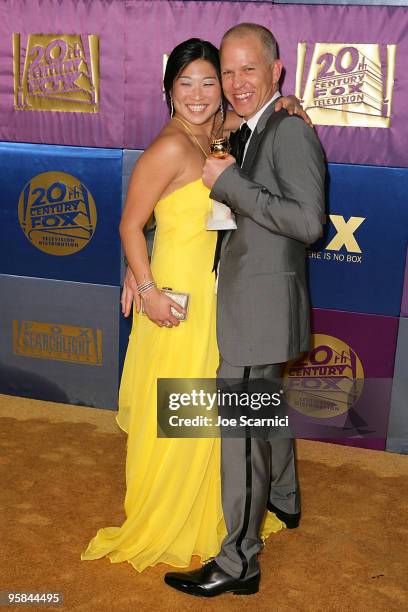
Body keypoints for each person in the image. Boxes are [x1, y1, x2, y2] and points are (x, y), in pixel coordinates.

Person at [81, 38, 310, 572]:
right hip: (175, 307)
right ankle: (173, 517)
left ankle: (220, 510)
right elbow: (130, 225)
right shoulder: (167, 147)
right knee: (179, 413)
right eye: (186, 83)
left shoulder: (214, 130)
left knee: (215, 412)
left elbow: (257, 112)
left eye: (211, 81)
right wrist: (146, 288)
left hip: (216, 301)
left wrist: (290, 104)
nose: (201, 93)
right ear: (168, 91)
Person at [164, 24, 326, 596]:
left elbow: (310, 225)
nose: (235, 84)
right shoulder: (252, 127)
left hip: (258, 311)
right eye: (226, 72)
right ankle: (285, 498)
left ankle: (238, 563)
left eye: (247, 69)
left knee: (243, 435)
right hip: (246, 305)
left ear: (276, 70)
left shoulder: (288, 134)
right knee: (262, 418)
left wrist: (231, 183)